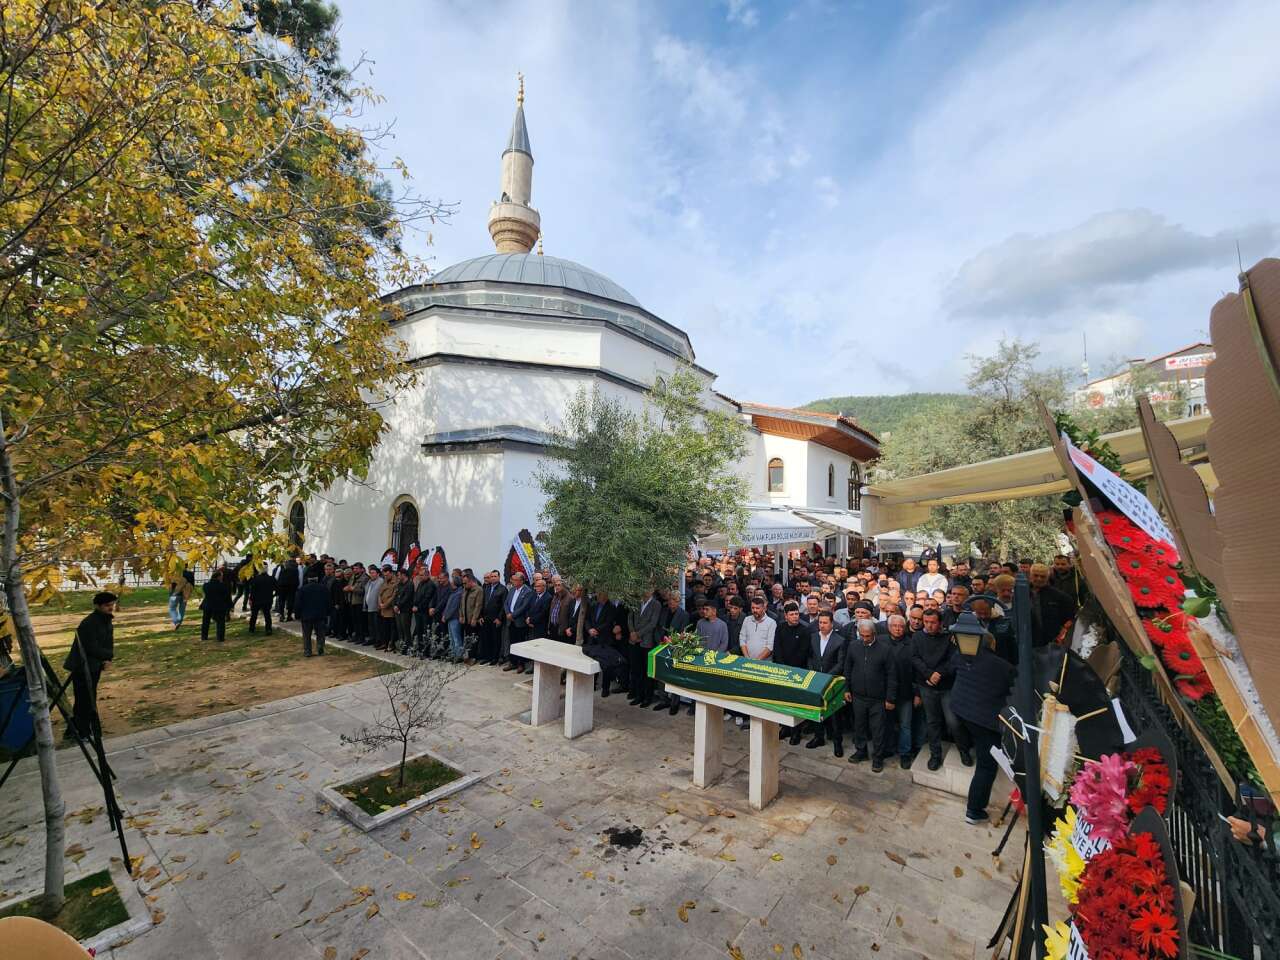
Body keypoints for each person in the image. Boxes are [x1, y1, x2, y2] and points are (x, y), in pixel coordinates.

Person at [949, 611, 1016, 825]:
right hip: (985, 720)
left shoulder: (960, 655)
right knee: (987, 765)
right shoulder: (1003, 667)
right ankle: (974, 810)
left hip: (962, 711)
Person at [911, 608, 969, 770]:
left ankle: (963, 750)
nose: (929, 625)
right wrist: (929, 674)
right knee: (932, 722)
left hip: (947, 686)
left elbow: (954, 660)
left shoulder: (949, 638)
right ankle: (935, 755)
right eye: (926, 622)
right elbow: (915, 659)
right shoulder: (917, 637)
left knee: (954, 721)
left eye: (932, 622)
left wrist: (939, 674)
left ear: (940, 623)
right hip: (926, 686)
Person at [842, 618, 896, 772]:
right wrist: (846, 689)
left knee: (878, 729)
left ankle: (878, 757)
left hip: (878, 699)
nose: (865, 639)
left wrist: (890, 698)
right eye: (862, 635)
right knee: (859, 726)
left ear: (874, 634)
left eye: (868, 636)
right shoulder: (854, 646)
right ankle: (861, 751)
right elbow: (847, 668)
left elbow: (892, 675)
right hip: (858, 696)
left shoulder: (885, 650)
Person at [64, 592, 116, 742]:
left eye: (112, 604)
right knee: (84, 700)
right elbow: (90, 647)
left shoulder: (106, 620)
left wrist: (108, 658)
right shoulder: (89, 623)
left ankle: (75, 730)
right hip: (82, 667)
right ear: (98, 606)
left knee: (88, 698)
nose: (110, 608)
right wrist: (106, 656)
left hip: (94, 666)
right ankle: (81, 732)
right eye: (107, 605)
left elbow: (108, 642)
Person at [806, 611, 846, 756]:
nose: (821, 626)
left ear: (832, 624)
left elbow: (840, 663)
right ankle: (818, 737)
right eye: (820, 623)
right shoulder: (812, 638)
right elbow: (810, 657)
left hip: (832, 682)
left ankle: (837, 743)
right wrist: (813, 673)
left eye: (824, 623)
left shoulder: (840, 640)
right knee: (816, 710)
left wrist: (826, 677)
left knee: (834, 714)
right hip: (815, 680)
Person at [884, 614, 921, 769]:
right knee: (887, 723)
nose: (898, 629)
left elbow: (917, 671)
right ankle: (888, 748)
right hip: (884, 692)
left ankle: (905, 754)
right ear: (888, 627)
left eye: (901, 626)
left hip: (906, 692)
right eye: (894, 626)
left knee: (906, 725)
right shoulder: (880, 641)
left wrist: (918, 693)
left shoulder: (911, 644)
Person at [653, 592, 691, 714]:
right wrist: (659, 640)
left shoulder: (684, 615)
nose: (671, 602)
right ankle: (663, 699)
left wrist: (671, 642)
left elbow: (682, 633)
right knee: (660, 673)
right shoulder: (663, 611)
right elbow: (657, 628)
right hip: (661, 646)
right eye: (670, 599)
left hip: (674, 648)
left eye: (674, 600)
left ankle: (675, 702)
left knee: (674, 675)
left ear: (679, 601)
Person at [627, 588, 663, 707]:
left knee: (646, 672)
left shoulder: (656, 604)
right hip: (634, 641)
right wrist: (632, 632)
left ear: (652, 590)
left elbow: (652, 623)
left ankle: (647, 697)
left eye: (647, 588)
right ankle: (638, 695)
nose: (644, 590)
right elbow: (630, 617)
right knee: (636, 670)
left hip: (646, 641)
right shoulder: (637, 601)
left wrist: (638, 634)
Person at [504, 572, 533, 673]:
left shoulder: (527, 591)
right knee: (512, 642)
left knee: (520, 643)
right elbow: (506, 603)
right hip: (510, 621)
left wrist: (513, 615)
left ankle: (521, 664)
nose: (513, 582)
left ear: (521, 581)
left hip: (520, 622)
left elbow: (524, 607)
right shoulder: (512, 589)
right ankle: (513, 662)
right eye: (513, 580)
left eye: (515, 580)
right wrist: (508, 613)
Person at [296, 573, 330, 656]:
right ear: (317, 579)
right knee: (320, 634)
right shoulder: (323, 588)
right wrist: (327, 613)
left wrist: (297, 614)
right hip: (320, 615)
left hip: (306, 616)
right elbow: (328, 602)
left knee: (307, 635)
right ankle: (320, 648)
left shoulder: (302, 589)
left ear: (308, 580)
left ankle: (308, 651)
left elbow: (298, 603)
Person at [482, 571, 508, 667]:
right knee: (486, 638)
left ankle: (495, 658)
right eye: (491, 576)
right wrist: (480, 616)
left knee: (495, 639)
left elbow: (504, 605)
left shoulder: (503, 589)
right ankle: (487, 657)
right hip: (485, 618)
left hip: (495, 619)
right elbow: (483, 602)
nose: (493, 578)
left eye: (495, 576)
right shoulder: (487, 588)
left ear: (499, 577)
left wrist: (499, 618)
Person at [200, 568, 232, 643]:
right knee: (220, 622)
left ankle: (204, 636)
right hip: (219, 606)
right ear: (218, 577)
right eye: (221, 576)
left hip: (208, 605)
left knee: (205, 622)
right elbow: (227, 596)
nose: (222, 578)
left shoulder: (206, 585)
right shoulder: (224, 586)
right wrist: (230, 605)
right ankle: (220, 637)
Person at [440, 574, 465, 660]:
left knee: (456, 637)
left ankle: (458, 655)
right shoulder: (453, 592)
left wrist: (445, 616)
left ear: (455, 583)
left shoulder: (459, 593)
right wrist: (444, 614)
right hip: (450, 618)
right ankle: (453, 653)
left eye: (452, 582)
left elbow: (453, 608)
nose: (450, 583)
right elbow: (448, 606)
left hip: (454, 618)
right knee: (451, 637)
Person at [247, 565, 276, 635]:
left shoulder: (256, 579)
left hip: (256, 600)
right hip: (267, 600)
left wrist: (250, 599)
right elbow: (277, 588)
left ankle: (251, 629)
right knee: (267, 615)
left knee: (254, 615)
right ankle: (268, 629)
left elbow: (252, 591)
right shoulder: (271, 579)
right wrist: (273, 595)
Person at [376, 564, 398, 650]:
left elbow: (394, 596)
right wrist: (380, 603)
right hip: (383, 609)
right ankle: (384, 643)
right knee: (384, 627)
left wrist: (385, 605)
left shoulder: (396, 582)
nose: (385, 576)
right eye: (384, 575)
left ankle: (391, 644)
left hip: (390, 609)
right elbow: (379, 593)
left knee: (392, 627)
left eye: (387, 574)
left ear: (391, 573)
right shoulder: (385, 581)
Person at [346, 562, 369, 644]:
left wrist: (353, 589)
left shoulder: (365, 578)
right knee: (354, 620)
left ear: (361, 569)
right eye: (354, 569)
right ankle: (356, 635)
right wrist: (348, 588)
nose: (355, 570)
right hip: (352, 601)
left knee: (360, 621)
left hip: (359, 602)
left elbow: (364, 591)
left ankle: (361, 637)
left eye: (357, 568)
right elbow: (350, 586)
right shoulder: (353, 577)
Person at [392, 569, 414, 653]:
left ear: (403, 575)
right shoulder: (399, 584)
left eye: (399, 575)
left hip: (405, 610)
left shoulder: (410, 584)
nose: (398, 577)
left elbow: (407, 597)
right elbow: (395, 595)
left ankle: (407, 647)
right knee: (400, 628)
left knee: (406, 629)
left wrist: (398, 605)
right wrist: (394, 605)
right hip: (397, 610)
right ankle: (401, 645)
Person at [363, 564, 383, 647]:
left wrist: (379, 605)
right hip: (369, 607)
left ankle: (378, 640)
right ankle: (372, 638)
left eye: (373, 573)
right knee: (370, 625)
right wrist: (365, 604)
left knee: (377, 625)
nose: (371, 574)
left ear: (378, 574)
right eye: (370, 573)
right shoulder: (369, 582)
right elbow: (366, 593)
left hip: (376, 607)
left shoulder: (381, 581)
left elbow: (381, 595)